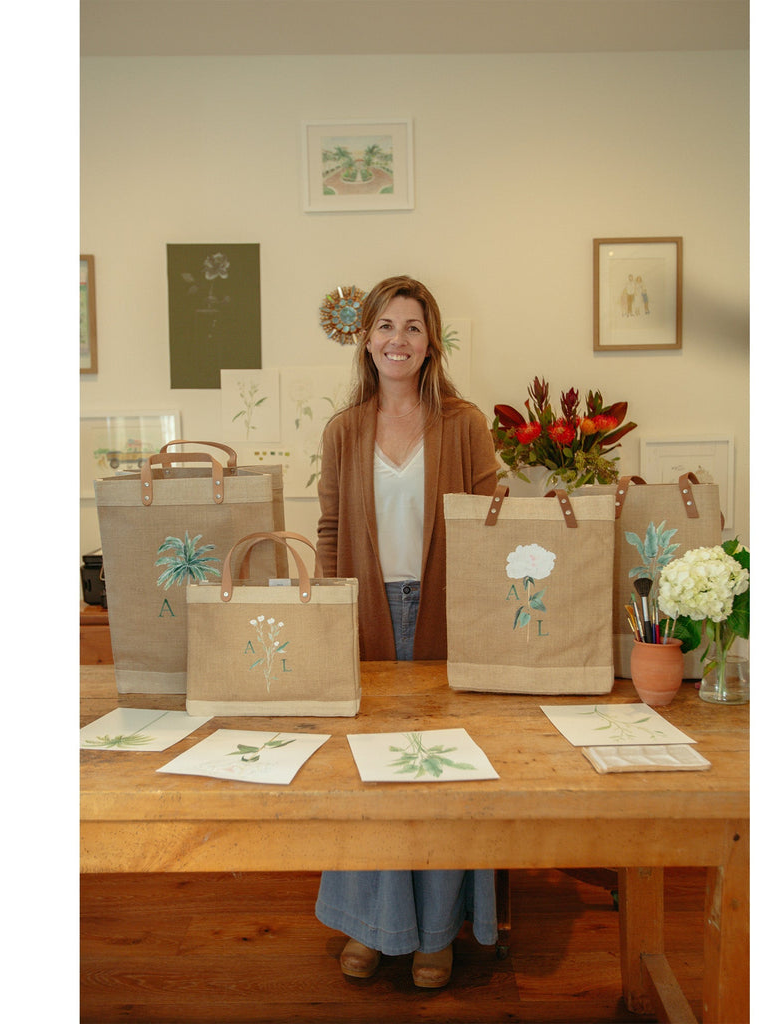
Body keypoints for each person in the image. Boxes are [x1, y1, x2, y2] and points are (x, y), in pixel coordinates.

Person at [314, 275, 499, 988]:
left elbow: (489, 526)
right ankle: (371, 925)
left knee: (446, 770)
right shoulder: (344, 429)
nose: (399, 339)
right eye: (386, 326)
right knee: (370, 771)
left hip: (446, 613)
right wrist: (330, 612)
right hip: (366, 615)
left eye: (413, 327)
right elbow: (330, 530)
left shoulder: (465, 423)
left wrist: (486, 613)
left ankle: (437, 934)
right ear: (367, 339)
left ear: (431, 342)